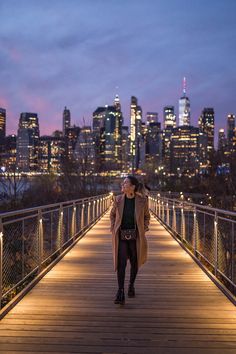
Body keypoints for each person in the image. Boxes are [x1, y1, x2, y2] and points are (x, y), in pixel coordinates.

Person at [110, 176, 150, 305]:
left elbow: (146, 217)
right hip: (121, 235)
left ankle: (131, 284)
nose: (123, 184)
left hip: (136, 236)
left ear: (132, 186)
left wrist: (144, 228)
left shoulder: (142, 201)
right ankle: (120, 291)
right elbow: (112, 214)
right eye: (123, 182)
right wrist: (113, 227)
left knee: (135, 261)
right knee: (121, 263)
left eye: (126, 182)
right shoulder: (118, 199)